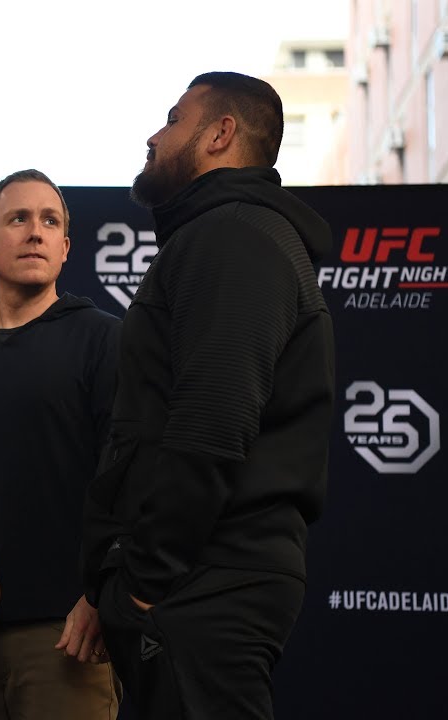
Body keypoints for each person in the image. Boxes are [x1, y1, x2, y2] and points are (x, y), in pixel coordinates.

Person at [80, 71, 336, 720]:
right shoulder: (221, 234)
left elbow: (214, 419)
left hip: (204, 576)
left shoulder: (234, 235)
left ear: (221, 134)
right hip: (200, 576)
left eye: (173, 119)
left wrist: (145, 581)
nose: (154, 136)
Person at [0, 169, 123, 720]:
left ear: (66, 247)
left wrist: (101, 596)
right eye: (18, 219)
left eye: (50, 221)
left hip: (67, 629)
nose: (36, 232)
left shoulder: (106, 340)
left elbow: (131, 479)